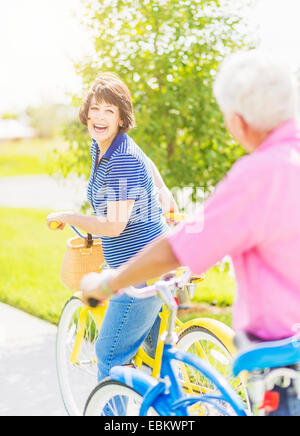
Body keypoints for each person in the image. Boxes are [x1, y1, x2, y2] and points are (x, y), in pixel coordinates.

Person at [81, 52, 300, 416]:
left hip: (280, 358)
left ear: (237, 121)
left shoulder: (261, 174)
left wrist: (107, 284)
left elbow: (180, 247)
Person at [46, 72, 178, 384]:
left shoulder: (121, 159)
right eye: (94, 109)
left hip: (140, 269)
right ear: (86, 113)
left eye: (109, 110)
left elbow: (114, 226)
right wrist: (164, 191)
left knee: (110, 357)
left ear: (121, 118)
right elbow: (148, 161)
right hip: (142, 259)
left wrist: (68, 216)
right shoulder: (104, 146)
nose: (99, 117)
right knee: (152, 359)